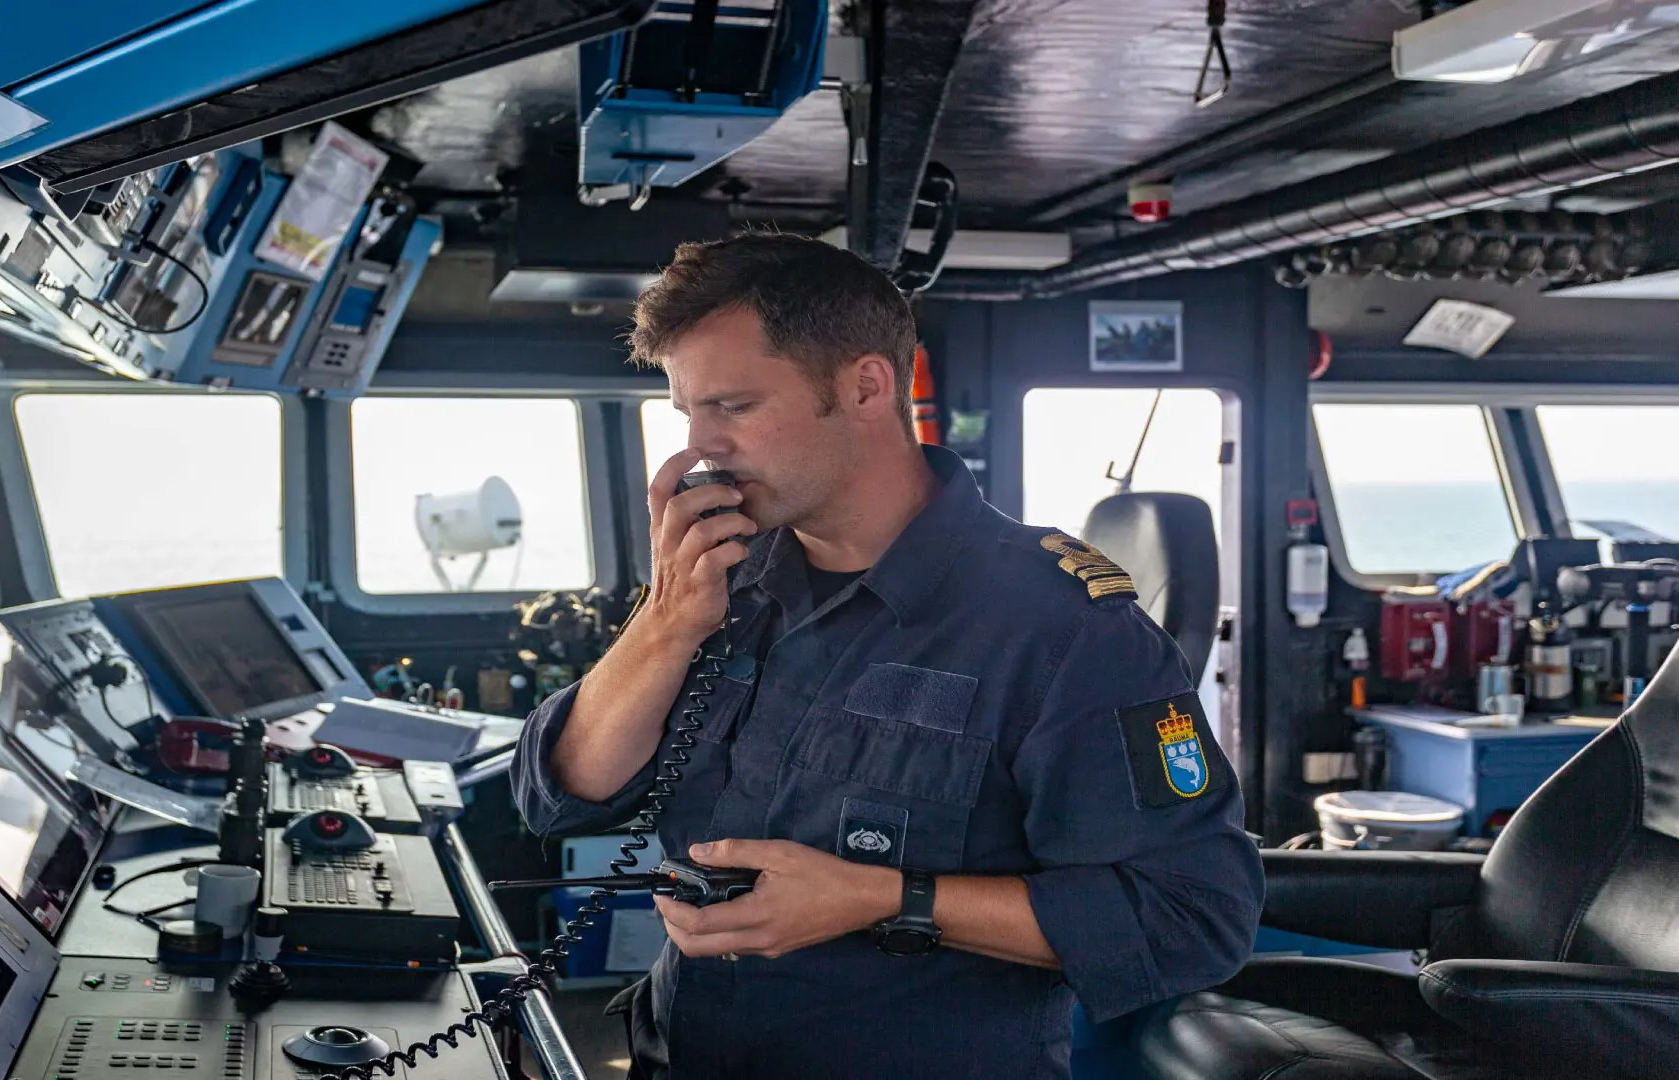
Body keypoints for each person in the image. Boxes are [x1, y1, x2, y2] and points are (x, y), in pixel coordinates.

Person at [510, 232, 1263, 1079]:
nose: (700, 448)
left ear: (866, 385)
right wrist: (666, 621)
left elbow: (1192, 918)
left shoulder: (1065, 632)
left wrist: (883, 899)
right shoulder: (721, 581)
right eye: (689, 412)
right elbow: (557, 795)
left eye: (736, 406)